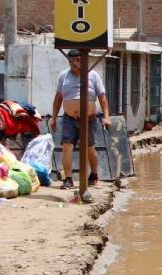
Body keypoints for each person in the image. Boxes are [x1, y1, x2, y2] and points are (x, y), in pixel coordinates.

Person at [50, 49, 111, 189]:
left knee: (89, 148)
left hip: (88, 119)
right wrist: (53, 118)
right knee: (66, 147)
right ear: (69, 61)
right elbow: (58, 98)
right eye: (73, 60)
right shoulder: (63, 76)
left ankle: (94, 174)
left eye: (79, 59)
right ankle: (68, 179)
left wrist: (107, 117)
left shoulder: (93, 75)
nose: (76, 62)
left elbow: (102, 97)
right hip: (69, 118)